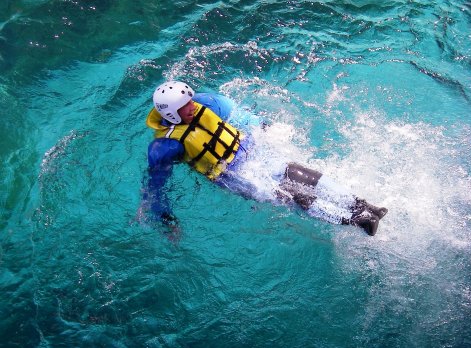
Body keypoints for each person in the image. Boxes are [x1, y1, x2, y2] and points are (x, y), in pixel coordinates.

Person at [143, 80, 388, 236]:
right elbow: (156, 187)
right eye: (185, 106)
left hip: (253, 151)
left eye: (190, 99)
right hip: (235, 175)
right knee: (292, 195)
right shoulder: (165, 146)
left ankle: (362, 205)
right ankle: (357, 221)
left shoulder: (205, 103)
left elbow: (239, 115)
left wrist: (264, 126)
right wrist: (166, 218)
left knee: (300, 174)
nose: (192, 106)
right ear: (171, 114)